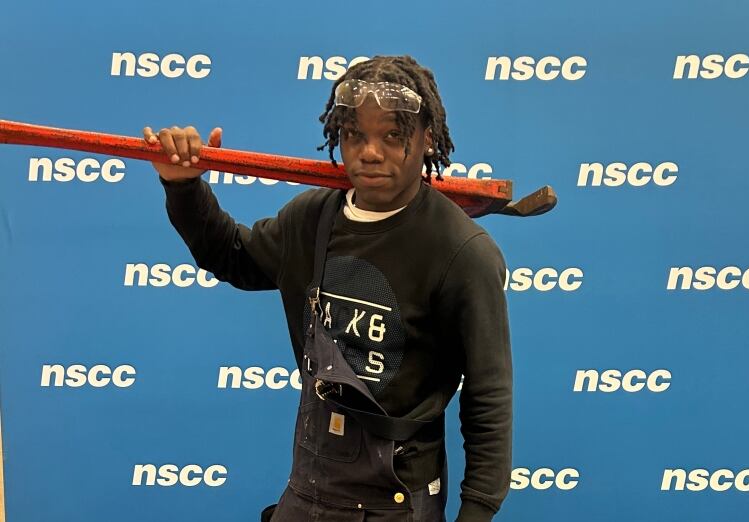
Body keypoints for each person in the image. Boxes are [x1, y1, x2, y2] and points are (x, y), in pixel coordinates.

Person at [143, 55, 512, 522]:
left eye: (393, 136)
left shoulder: (462, 252)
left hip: (398, 503)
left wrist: (476, 511)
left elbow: (489, 396)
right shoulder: (309, 220)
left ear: (427, 139)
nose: (370, 152)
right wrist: (183, 187)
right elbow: (231, 255)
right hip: (309, 490)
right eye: (355, 134)